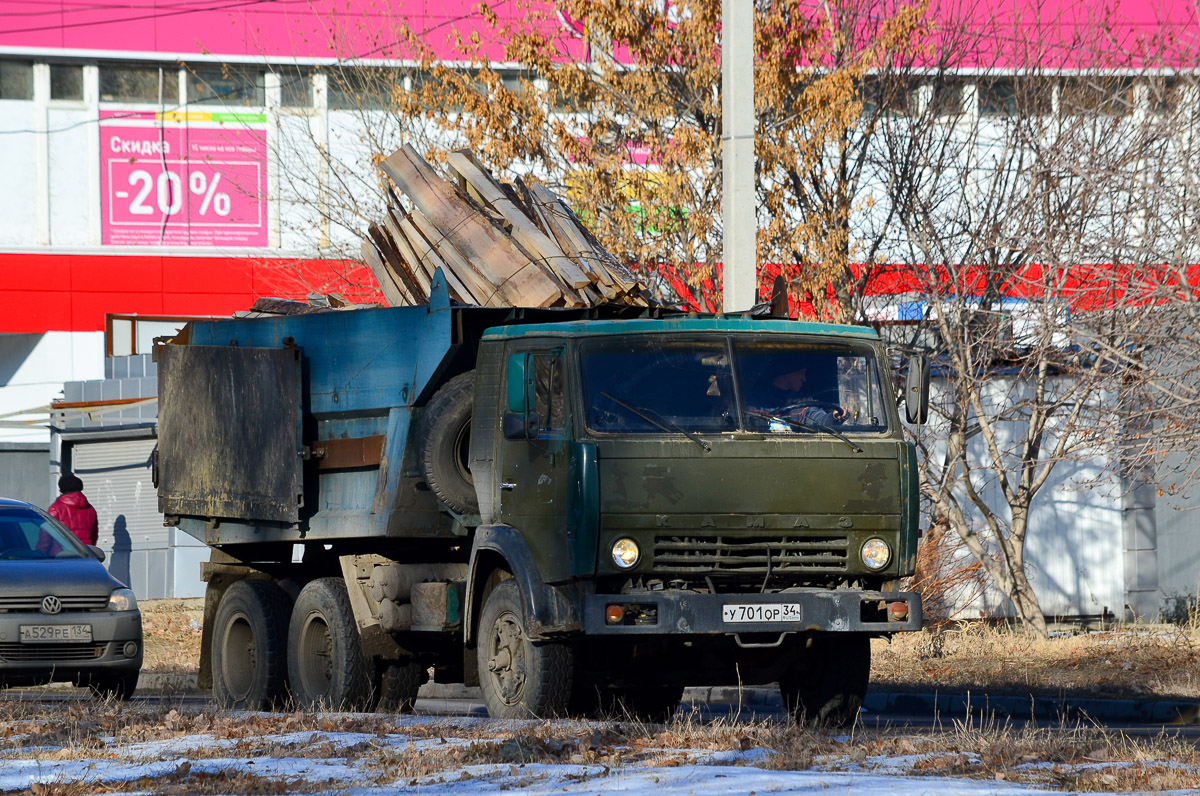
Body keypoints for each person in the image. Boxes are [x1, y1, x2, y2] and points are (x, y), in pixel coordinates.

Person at [762, 366, 846, 427]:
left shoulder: (801, 402)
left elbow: (817, 419)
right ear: (788, 373)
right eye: (801, 373)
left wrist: (833, 417)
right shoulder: (756, 400)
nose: (804, 379)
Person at [48, 473, 99, 547]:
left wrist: (40, 552)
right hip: (86, 553)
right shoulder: (90, 509)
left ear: (62, 489)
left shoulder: (55, 508)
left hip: (63, 553)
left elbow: (47, 534)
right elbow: (94, 535)